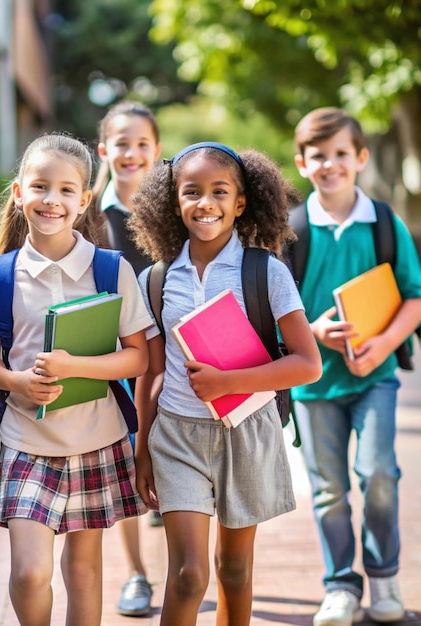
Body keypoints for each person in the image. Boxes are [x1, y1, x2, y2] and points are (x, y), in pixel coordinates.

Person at [129, 141, 322, 626]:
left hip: (247, 432)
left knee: (233, 570)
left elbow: (307, 363)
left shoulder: (266, 271)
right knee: (188, 575)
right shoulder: (156, 279)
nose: (205, 203)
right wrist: (142, 447)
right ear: (174, 202)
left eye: (220, 191)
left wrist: (228, 381)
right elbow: (151, 371)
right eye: (191, 192)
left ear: (241, 202)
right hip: (176, 436)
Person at [0, 132, 152, 626]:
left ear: (85, 199)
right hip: (26, 439)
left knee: (86, 572)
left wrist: (75, 367)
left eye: (67, 190)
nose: (53, 200)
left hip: (98, 437)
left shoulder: (111, 270)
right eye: (41, 187)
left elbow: (137, 359)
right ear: (18, 193)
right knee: (29, 572)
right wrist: (18, 382)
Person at [290, 107, 421, 626]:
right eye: (318, 155)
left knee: (380, 475)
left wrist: (384, 342)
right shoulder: (292, 232)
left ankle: (385, 580)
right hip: (313, 384)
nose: (330, 164)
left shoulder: (385, 224)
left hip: (375, 379)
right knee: (328, 491)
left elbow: (414, 297)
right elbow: (275, 313)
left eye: (341, 154)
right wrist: (315, 333)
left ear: (360, 158)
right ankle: (341, 586)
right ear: (302, 163)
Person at [93, 100, 163, 616]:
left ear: (157, 151)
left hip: (175, 355)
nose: (132, 153)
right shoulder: (89, 213)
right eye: (122, 143)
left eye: (142, 143)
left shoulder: (175, 209)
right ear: (105, 150)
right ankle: (137, 574)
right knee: (126, 460)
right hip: (119, 355)